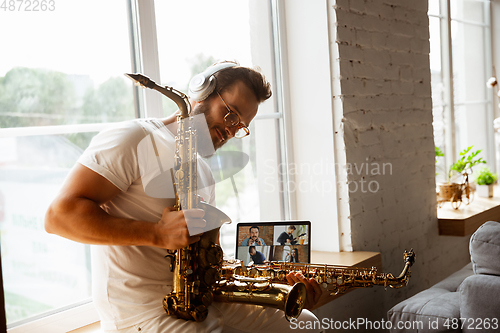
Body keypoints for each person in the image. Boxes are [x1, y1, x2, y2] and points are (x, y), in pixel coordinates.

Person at [45, 61, 325, 332]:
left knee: (307, 323)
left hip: (198, 299)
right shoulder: (134, 137)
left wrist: (275, 284)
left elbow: (206, 257)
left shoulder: (203, 168)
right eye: (230, 114)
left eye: (240, 126)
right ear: (202, 92)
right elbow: (58, 216)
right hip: (142, 313)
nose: (231, 129)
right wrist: (156, 234)